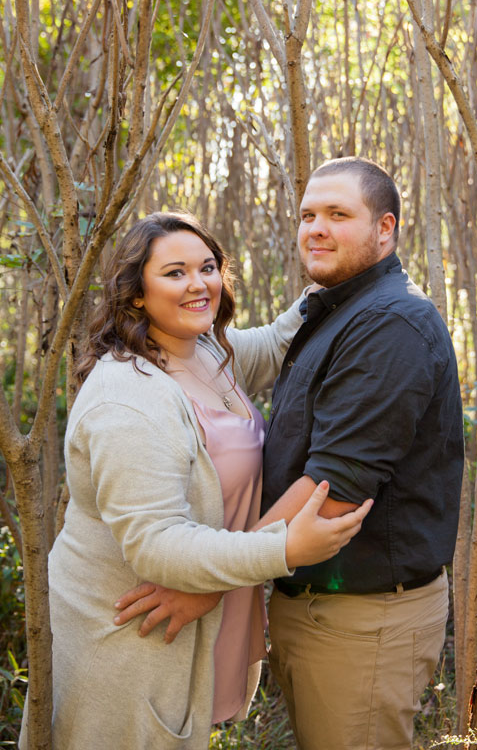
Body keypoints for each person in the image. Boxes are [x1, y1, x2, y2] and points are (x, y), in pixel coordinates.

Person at [34, 212, 373, 750]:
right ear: (136, 294)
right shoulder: (130, 397)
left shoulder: (203, 350)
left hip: (194, 610)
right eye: (174, 272)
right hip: (133, 636)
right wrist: (283, 547)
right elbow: (156, 545)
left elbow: (269, 344)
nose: (198, 284)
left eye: (208, 267)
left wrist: (343, 277)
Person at [255, 157, 464, 750]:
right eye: (307, 215)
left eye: (338, 214)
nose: (315, 228)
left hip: (362, 623)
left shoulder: (392, 323)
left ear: (385, 228)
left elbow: (334, 488)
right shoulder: (334, 312)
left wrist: (211, 577)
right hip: (314, 605)